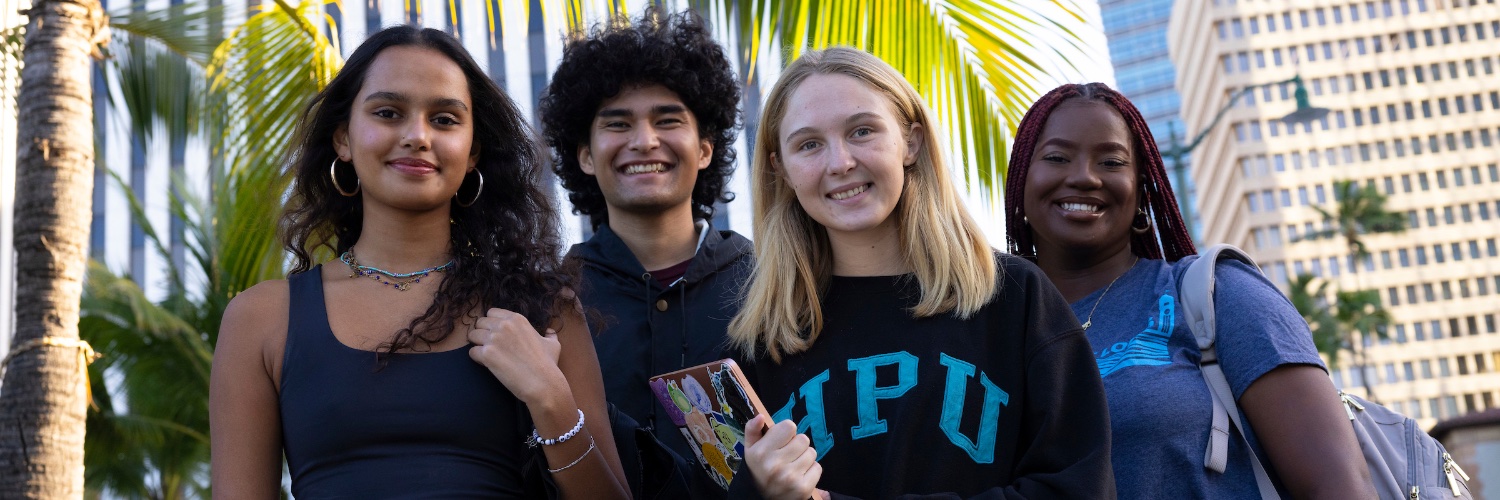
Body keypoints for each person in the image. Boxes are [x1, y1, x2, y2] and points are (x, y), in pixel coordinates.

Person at [209, 26, 627, 499]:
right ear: (343, 139)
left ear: (473, 154)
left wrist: (551, 400)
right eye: (388, 113)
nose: (417, 136)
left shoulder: (543, 311)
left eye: (445, 119)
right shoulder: (261, 320)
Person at [725, 47, 1114, 499]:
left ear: (910, 142)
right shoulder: (757, 345)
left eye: (862, 131)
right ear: (781, 169)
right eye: (809, 144)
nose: (840, 162)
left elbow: (1077, 488)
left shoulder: (1014, 299)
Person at [1003, 82, 1374, 499]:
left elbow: (1340, 485)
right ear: (1020, 181)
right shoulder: (989, 334)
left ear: (1142, 189)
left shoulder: (1217, 294)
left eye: (1111, 162)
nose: (1084, 176)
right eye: (1056, 157)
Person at [538, 7, 753, 466]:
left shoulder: (771, 284)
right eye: (617, 124)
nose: (644, 141)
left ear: (704, 149)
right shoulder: (549, 301)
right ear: (585, 157)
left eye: (668, 120)